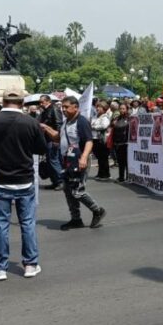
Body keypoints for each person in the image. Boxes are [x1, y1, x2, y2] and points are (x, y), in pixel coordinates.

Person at [0, 90, 48, 281]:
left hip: (0, 178)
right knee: (27, 223)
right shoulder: (31, 122)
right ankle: (30, 264)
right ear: (22, 102)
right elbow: (41, 148)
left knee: (1, 225)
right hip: (24, 178)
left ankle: (0, 267)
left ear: (3, 101)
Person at [42, 96, 106, 231]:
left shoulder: (81, 122)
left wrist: (83, 157)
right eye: (62, 107)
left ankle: (97, 210)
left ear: (75, 107)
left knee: (77, 191)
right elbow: (58, 138)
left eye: (66, 107)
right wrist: (46, 128)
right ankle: (76, 219)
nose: (63, 109)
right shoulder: (66, 122)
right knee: (68, 191)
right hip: (67, 161)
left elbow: (89, 141)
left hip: (79, 161)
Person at [38, 94, 64, 190]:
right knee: (49, 161)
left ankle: (61, 181)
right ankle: (55, 181)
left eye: (42, 102)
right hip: (47, 138)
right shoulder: (45, 111)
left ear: (48, 101)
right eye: (40, 102)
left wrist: (57, 139)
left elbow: (59, 124)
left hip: (53, 139)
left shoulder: (54, 109)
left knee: (54, 160)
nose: (40, 104)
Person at [91, 100, 112, 181]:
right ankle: (100, 173)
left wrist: (94, 127)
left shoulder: (105, 117)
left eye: (100, 107)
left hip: (102, 140)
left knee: (103, 157)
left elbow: (103, 126)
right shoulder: (96, 116)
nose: (98, 108)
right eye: (97, 107)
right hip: (95, 139)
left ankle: (105, 174)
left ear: (104, 108)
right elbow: (91, 123)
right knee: (99, 158)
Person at [111, 103, 130, 183]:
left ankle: (128, 177)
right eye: (120, 108)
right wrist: (113, 122)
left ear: (126, 109)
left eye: (123, 108)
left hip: (126, 143)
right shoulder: (117, 118)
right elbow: (112, 127)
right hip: (117, 142)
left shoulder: (129, 119)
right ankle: (121, 177)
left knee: (127, 162)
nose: (122, 110)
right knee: (120, 161)